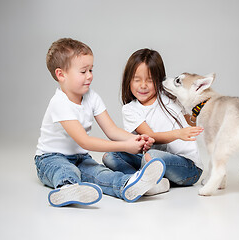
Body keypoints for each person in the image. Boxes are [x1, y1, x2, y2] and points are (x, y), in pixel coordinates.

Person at [35, 38, 166, 207]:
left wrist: (135, 139)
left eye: (91, 70)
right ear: (61, 75)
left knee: (100, 173)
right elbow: (85, 141)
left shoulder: (91, 96)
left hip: (81, 157)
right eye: (83, 71)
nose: (89, 75)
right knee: (66, 170)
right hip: (50, 159)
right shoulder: (59, 102)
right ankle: (67, 189)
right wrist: (124, 146)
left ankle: (131, 185)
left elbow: (111, 130)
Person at [103, 48, 203, 195]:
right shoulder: (130, 109)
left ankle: (148, 179)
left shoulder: (168, 96)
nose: (143, 85)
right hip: (155, 159)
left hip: (188, 167)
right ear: (128, 80)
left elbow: (190, 117)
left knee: (152, 157)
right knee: (110, 156)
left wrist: (193, 118)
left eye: (149, 80)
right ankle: (145, 181)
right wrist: (178, 133)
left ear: (159, 80)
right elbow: (151, 136)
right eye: (137, 80)